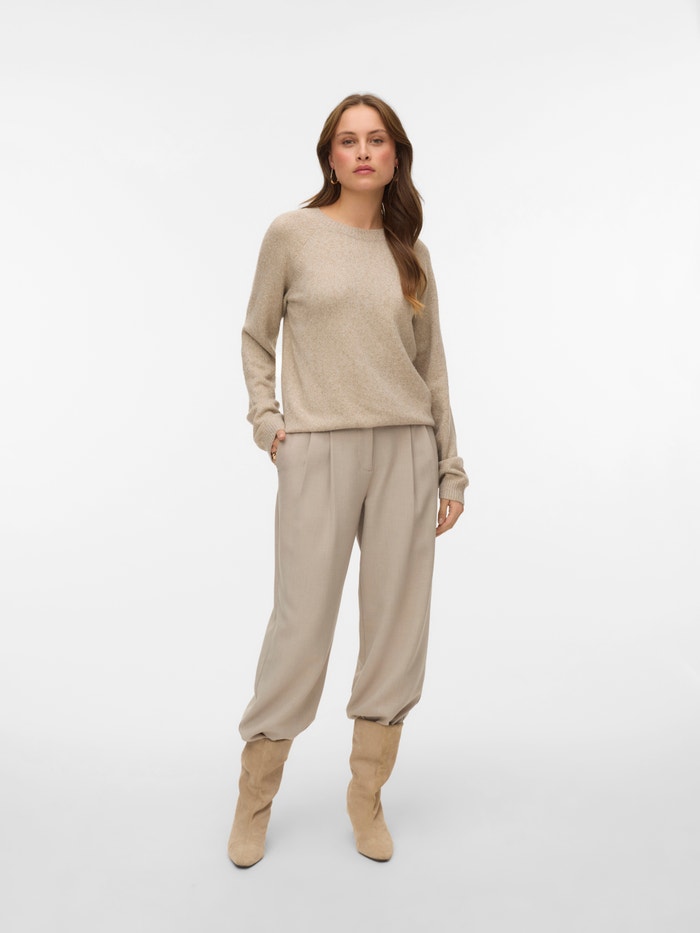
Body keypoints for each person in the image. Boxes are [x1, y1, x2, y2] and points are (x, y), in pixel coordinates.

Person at [228, 93, 468, 868]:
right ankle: (254, 798)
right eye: (348, 140)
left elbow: (432, 368)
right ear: (329, 156)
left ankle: (366, 796)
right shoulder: (292, 234)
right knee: (300, 627)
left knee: (397, 627)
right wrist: (268, 422)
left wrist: (450, 467)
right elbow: (256, 335)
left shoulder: (410, 253)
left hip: (405, 450)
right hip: (319, 448)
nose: (363, 152)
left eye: (377, 140)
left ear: (396, 155)